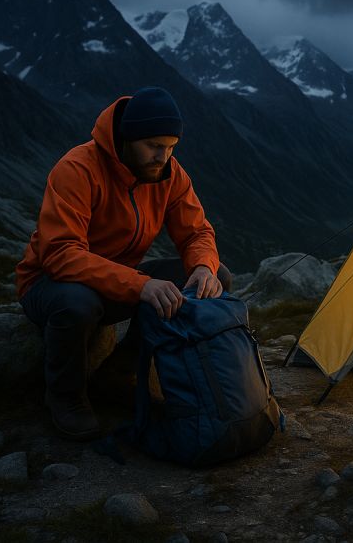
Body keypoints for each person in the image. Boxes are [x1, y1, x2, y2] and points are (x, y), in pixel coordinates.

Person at [16, 86, 231, 440]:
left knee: (215, 276)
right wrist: (141, 285)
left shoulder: (168, 175)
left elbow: (196, 233)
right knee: (77, 303)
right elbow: (60, 254)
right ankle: (65, 395)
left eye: (171, 147)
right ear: (128, 138)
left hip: (116, 280)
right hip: (50, 283)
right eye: (154, 146)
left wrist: (203, 267)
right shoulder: (77, 168)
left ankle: (120, 371)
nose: (163, 157)